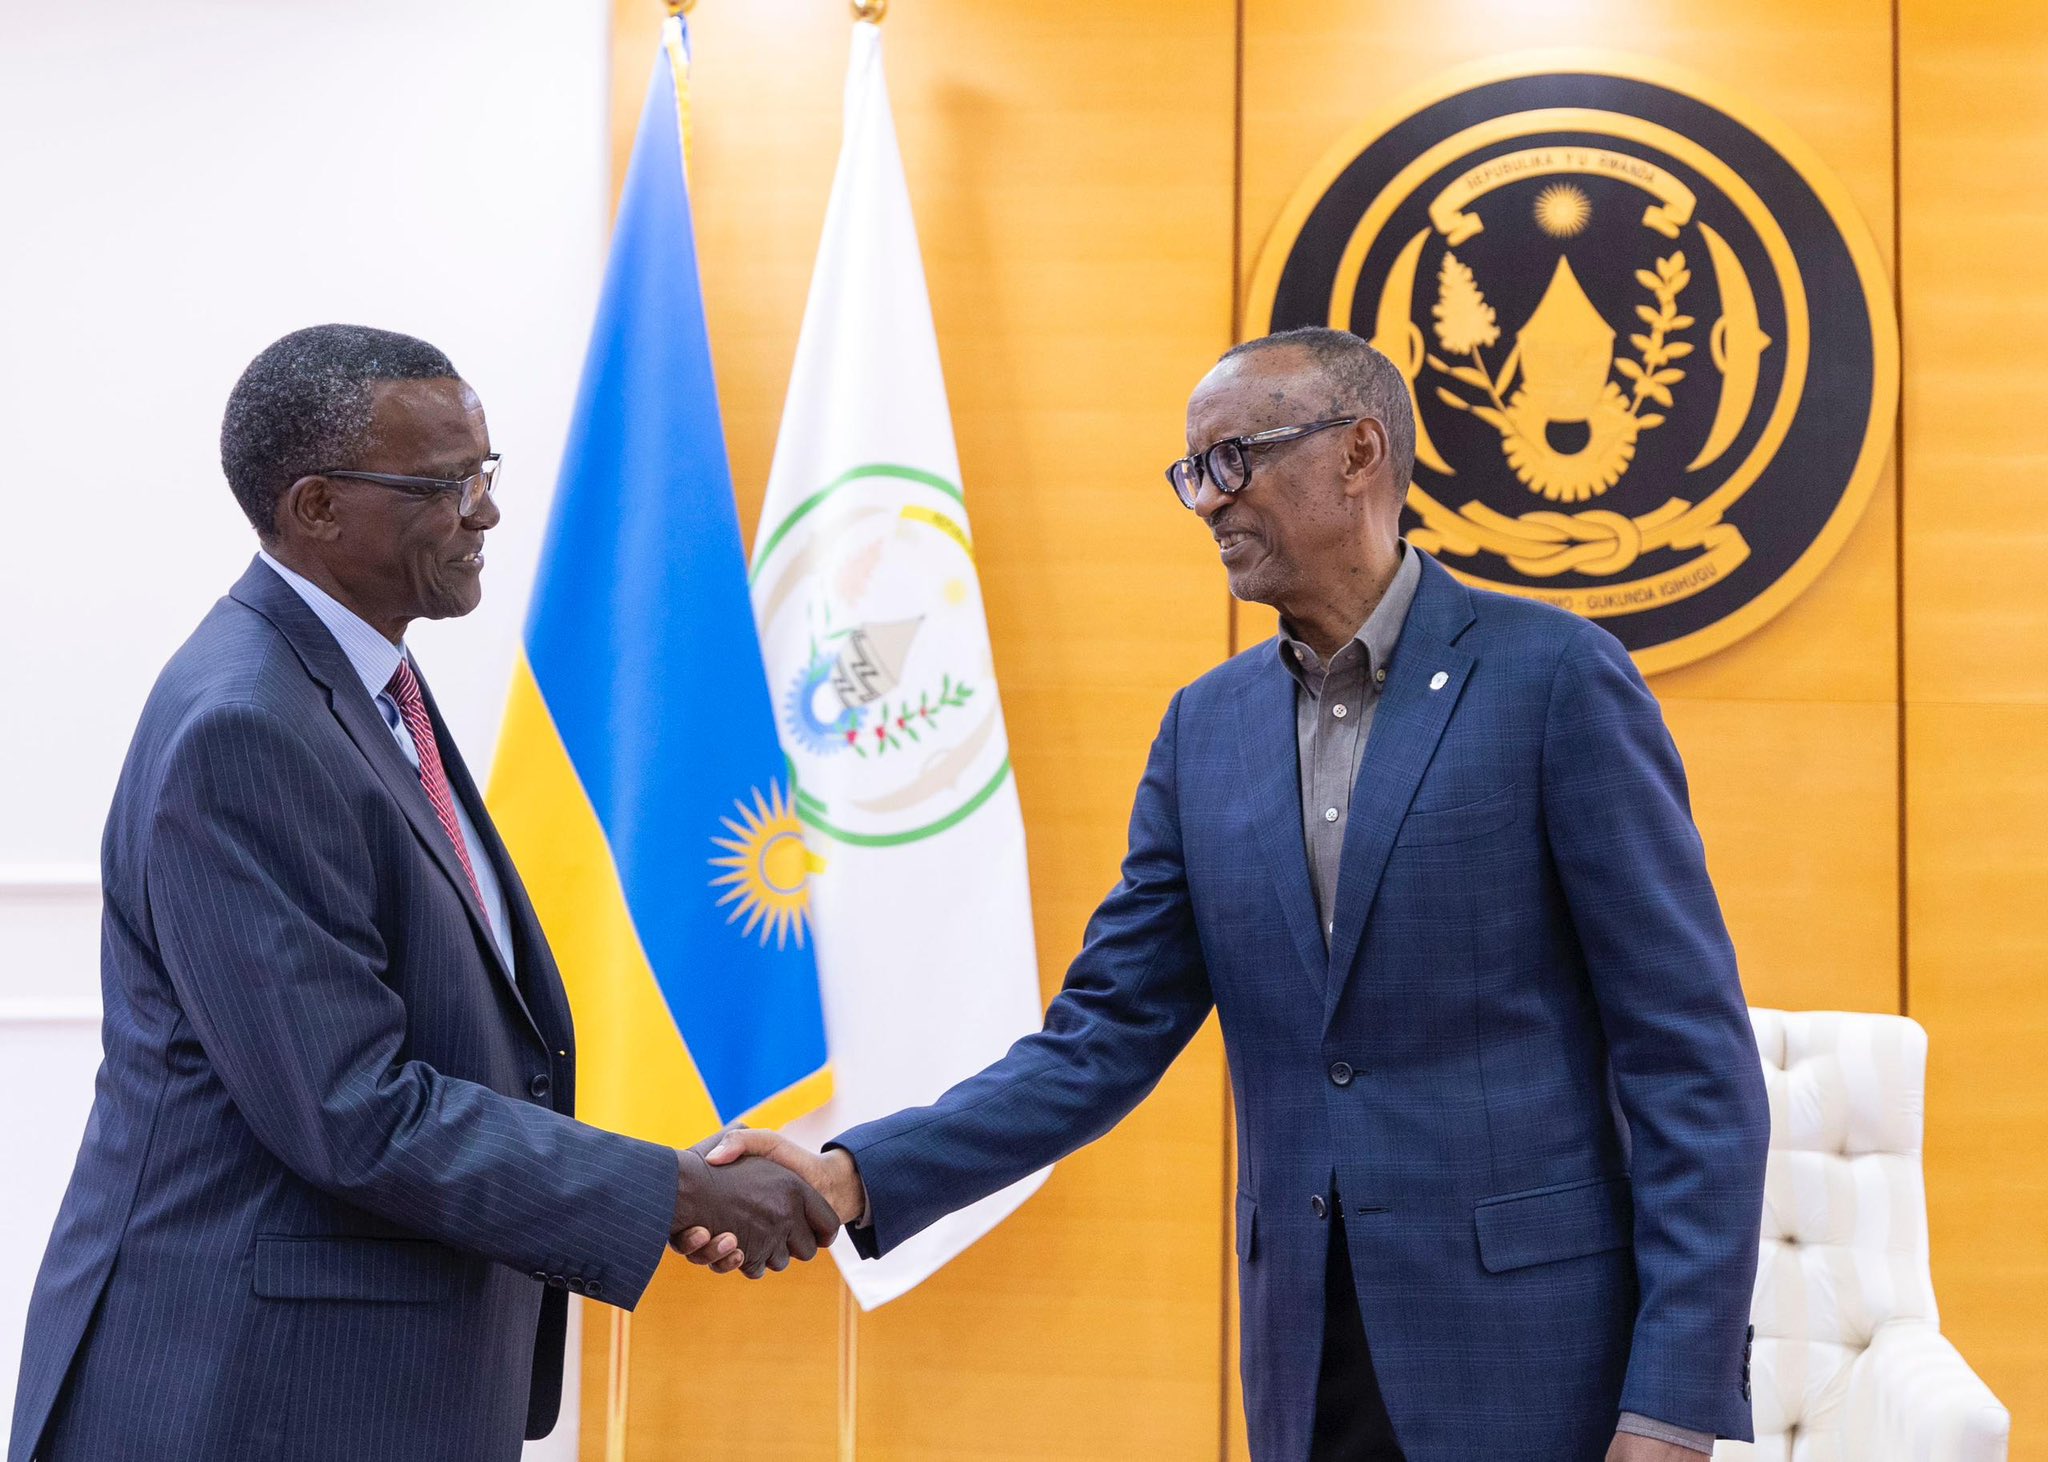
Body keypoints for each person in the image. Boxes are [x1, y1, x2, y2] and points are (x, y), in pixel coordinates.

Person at [707, 328, 1771, 1461]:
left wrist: (1673, 1404)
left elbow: (1690, 1062)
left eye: (1233, 460)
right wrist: (854, 1175)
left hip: (1540, 1363)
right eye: (1191, 472)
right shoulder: (1202, 731)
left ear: (1358, 452)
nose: (1208, 500)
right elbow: (1099, 1040)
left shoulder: (1554, 680)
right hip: (1306, 1363)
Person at [9, 325, 836, 1462]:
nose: (485, 511)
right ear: (316, 508)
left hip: (354, 1385)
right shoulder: (245, 725)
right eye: (445, 485)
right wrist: (669, 1192)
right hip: (247, 1394)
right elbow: (352, 1105)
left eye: (483, 470)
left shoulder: (365, 677)